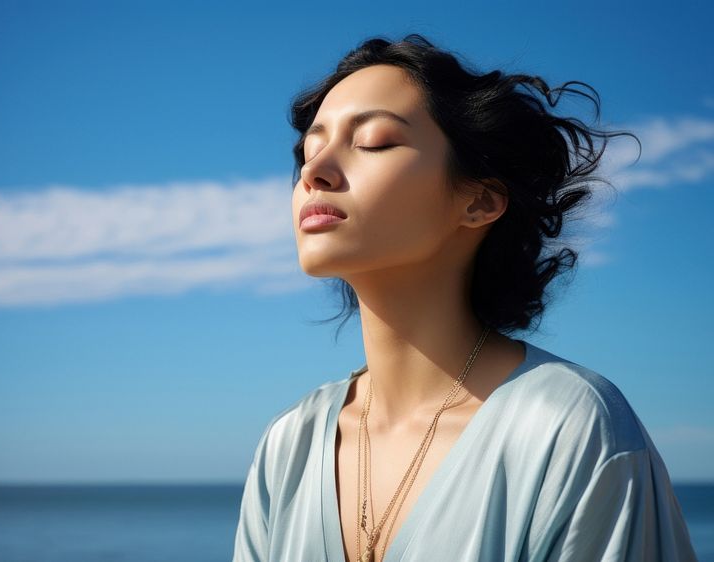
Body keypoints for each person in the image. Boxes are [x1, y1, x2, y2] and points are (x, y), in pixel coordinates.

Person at [232, 33, 698, 562]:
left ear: (479, 201)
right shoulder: (288, 445)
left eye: (376, 141)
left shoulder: (567, 429)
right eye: (309, 151)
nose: (314, 172)